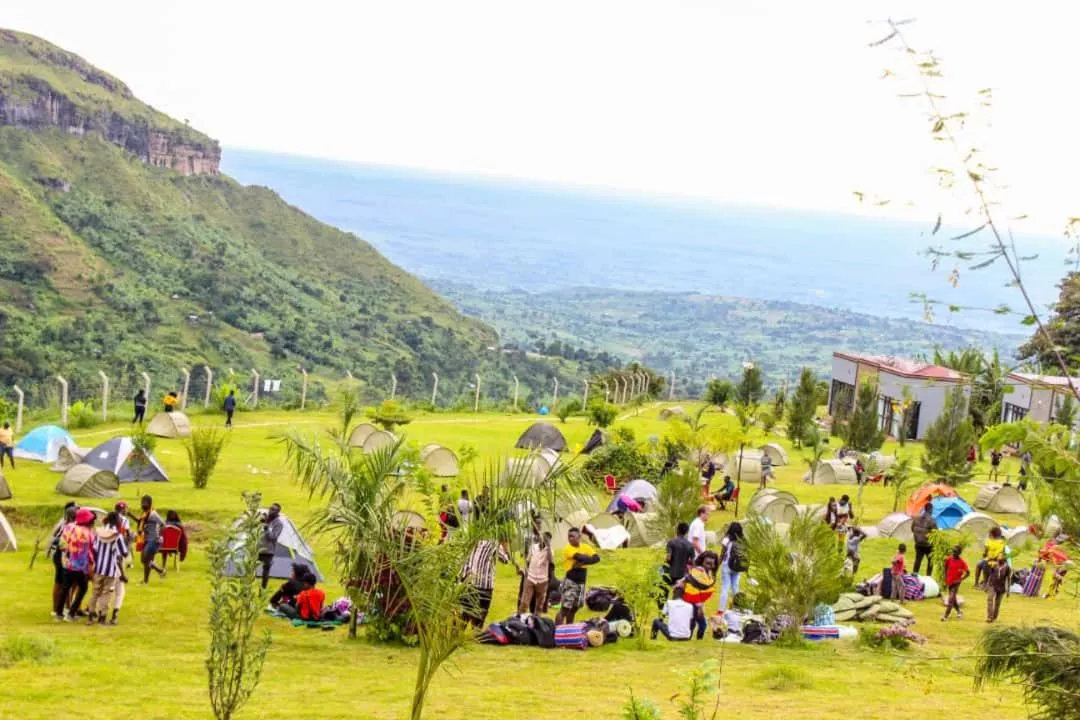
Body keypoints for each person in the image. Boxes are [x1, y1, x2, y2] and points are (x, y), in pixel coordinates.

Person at [87, 512, 129, 625]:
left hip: (99, 568)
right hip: (110, 570)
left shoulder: (99, 532)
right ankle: (102, 618)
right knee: (106, 593)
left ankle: (91, 616)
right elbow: (124, 553)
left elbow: (95, 549)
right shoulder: (117, 535)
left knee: (95, 592)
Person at [460, 538, 511, 627]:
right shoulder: (493, 544)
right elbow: (505, 559)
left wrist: (462, 578)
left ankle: (458, 636)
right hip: (484, 587)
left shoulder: (473, 539)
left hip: (470, 583)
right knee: (480, 618)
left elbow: (465, 562)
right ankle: (474, 636)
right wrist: (505, 544)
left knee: (465, 614)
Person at [56, 508, 96, 621]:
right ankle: (71, 613)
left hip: (68, 564)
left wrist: (68, 554)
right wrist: (92, 562)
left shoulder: (68, 527)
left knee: (65, 588)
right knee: (83, 588)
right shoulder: (89, 533)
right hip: (82, 567)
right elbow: (92, 550)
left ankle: (59, 613)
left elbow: (62, 545)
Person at [556, 528, 600, 625]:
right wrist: (587, 559)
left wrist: (582, 562)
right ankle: (557, 631)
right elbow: (580, 557)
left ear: (579, 537)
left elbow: (597, 558)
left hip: (581, 583)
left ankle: (568, 630)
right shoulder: (568, 549)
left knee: (574, 608)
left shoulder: (585, 547)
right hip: (571, 582)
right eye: (569, 536)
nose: (570, 539)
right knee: (565, 609)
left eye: (572, 536)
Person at [50, 503, 77, 618]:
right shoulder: (69, 527)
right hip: (62, 555)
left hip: (59, 554)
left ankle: (62, 607)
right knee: (62, 582)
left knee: (61, 582)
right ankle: (59, 608)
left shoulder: (64, 525)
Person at [682, 551, 717, 639]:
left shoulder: (707, 573)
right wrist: (700, 606)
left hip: (697, 602)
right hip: (692, 600)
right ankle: (688, 638)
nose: (709, 566)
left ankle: (695, 640)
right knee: (695, 623)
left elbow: (702, 589)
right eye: (707, 563)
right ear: (702, 561)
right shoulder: (698, 571)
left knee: (700, 624)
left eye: (712, 564)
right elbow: (694, 589)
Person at [519, 532, 553, 614]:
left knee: (539, 606)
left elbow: (550, 560)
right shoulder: (534, 547)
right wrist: (526, 570)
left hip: (542, 581)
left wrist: (548, 546)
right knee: (524, 603)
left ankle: (536, 622)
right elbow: (528, 561)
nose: (544, 540)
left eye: (547, 539)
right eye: (543, 538)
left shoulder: (550, 550)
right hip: (530, 578)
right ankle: (519, 619)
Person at [137, 495, 166, 583]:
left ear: (150, 504)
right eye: (142, 503)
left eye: (146, 503)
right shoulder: (145, 514)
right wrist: (130, 514)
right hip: (146, 539)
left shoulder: (153, 514)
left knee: (146, 560)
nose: (143, 505)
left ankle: (160, 570)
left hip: (153, 540)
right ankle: (148, 579)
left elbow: (163, 524)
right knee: (144, 560)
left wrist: (159, 535)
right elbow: (140, 522)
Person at [718, 522, 746, 612]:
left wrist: (716, 566)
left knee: (725, 588)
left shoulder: (727, 540)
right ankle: (738, 607)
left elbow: (722, 555)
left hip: (727, 566)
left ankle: (721, 610)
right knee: (735, 587)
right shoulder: (743, 540)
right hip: (737, 567)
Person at [258, 503, 284, 590]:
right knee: (250, 569)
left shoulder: (279, 524)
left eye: (273, 509)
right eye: (270, 508)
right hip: (257, 548)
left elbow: (273, 537)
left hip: (268, 551)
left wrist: (266, 528)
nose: (270, 510)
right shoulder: (264, 519)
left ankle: (262, 590)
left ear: (277, 512)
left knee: (265, 572)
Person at [941, 545, 970, 621]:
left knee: (951, 599)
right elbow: (945, 568)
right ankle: (959, 611)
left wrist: (960, 579)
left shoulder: (962, 562)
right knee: (953, 599)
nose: (953, 553)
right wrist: (945, 578)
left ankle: (945, 616)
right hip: (949, 582)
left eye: (955, 552)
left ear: (959, 553)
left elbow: (968, 573)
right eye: (953, 551)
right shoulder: (949, 559)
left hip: (956, 583)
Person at [663, 522, 695, 588]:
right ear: (686, 532)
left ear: (677, 530)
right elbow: (693, 562)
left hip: (670, 573)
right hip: (682, 574)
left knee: (664, 591)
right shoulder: (690, 545)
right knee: (678, 593)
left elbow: (668, 558)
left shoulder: (671, 542)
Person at [912, 503, 937, 575]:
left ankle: (914, 576)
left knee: (918, 561)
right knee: (930, 561)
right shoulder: (932, 521)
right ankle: (928, 576)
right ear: (930, 509)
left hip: (918, 544)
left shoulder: (916, 518)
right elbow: (935, 533)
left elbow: (912, 529)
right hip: (928, 545)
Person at [986, 556, 1010, 623]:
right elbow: (990, 575)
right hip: (993, 585)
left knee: (997, 603)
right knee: (990, 599)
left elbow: (1008, 579)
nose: (998, 561)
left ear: (1004, 561)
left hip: (1001, 587)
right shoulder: (994, 566)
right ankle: (989, 617)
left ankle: (994, 617)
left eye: (1000, 560)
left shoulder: (1007, 568)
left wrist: (1008, 590)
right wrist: (987, 585)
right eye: (998, 560)